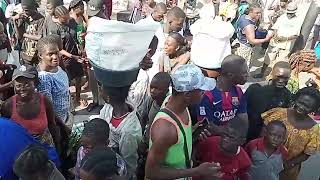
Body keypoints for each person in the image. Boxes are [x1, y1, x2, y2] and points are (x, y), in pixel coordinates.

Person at [145, 64, 222, 180]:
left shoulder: (183, 107)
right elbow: (152, 172)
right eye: (201, 90)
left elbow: (176, 143)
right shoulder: (165, 129)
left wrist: (191, 134)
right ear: (187, 95)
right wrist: (196, 171)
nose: (204, 93)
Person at [262, 87, 320, 180]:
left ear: (313, 109)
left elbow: (307, 154)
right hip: (264, 160)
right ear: (296, 99)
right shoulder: (279, 113)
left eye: (307, 106)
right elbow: (263, 131)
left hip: (288, 169)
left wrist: (289, 164)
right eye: (300, 102)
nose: (301, 107)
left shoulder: (314, 129)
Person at [1, 65, 60, 152]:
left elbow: (52, 125)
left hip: (45, 149)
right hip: (20, 152)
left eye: (27, 84)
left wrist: (58, 148)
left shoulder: (44, 101)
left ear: (35, 83)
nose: (22, 89)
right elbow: (5, 132)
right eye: (18, 85)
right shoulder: (8, 106)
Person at [192, 55, 248, 135]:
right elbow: (207, 125)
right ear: (230, 75)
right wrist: (231, 134)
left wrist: (241, 135)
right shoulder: (207, 94)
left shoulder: (238, 92)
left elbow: (243, 118)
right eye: (244, 73)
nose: (247, 75)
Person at [99, 84, 142, 176]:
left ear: (108, 97)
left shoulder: (129, 131)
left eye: (101, 89)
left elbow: (129, 164)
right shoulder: (108, 109)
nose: (99, 92)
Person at [245, 61, 292, 141]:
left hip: (267, 137)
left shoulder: (287, 95)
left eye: (285, 78)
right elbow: (241, 110)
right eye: (278, 76)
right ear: (272, 74)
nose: (281, 80)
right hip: (248, 131)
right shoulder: (255, 88)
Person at [49, 6, 85, 105]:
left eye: (68, 16)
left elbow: (77, 36)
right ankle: (69, 103)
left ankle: (77, 98)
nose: (67, 19)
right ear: (58, 17)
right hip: (64, 59)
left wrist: (81, 47)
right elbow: (58, 49)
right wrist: (72, 57)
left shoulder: (72, 22)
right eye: (64, 19)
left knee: (79, 78)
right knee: (66, 82)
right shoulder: (54, 28)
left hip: (75, 55)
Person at [257, 2, 300, 77]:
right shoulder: (283, 16)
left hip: (286, 45)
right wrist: (276, 35)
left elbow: (296, 35)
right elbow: (276, 27)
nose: (289, 14)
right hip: (275, 42)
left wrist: (285, 38)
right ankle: (262, 73)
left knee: (280, 62)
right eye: (288, 13)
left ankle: (274, 77)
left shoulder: (298, 21)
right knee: (268, 58)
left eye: (291, 13)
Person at [37, 35, 71, 125]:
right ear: (41, 55)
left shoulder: (57, 68)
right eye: (50, 54)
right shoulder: (44, 78)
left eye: (56, 53)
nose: (55, 57)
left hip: (65, 118)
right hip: (57, 124)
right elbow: (48, 109)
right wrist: (61, 127)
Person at [190, 12, 234, 78]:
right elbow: (231, 31)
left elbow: (192, 29)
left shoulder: (198, 24)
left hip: (198, 63)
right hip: (216, 66)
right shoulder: (224, 27)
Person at [12, 0, 45, 65]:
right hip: (25, 53)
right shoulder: (23, 18)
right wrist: (14, 21)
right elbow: (19, 36)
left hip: (36, 54)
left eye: (26, 10)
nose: (24, 12)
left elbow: (39, 37)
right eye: (23, 10)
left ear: (33, 8)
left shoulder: (40, 19)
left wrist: (24, 34)